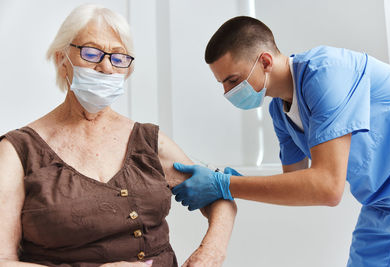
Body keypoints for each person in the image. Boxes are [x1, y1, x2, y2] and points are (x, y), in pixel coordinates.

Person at [0, 4, 237, 267]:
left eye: (118, 57)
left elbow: (219, 194)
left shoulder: (147, 141)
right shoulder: (17, 151)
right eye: (91, 52)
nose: (106, 67)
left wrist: (212, 250)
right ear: (61, 59)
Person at [172, 16, 390, 266]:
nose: (227, 92)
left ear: (265, 61)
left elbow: (327, 187)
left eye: (233, 80)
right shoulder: (280, 113)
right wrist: (233, 181)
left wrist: (226, 184)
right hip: (382, 204)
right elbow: (297, 181)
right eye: (223, 84)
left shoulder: (326, 73)